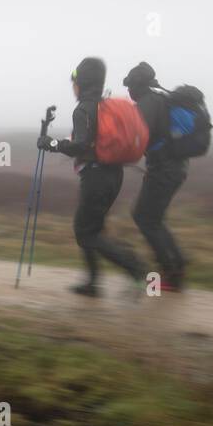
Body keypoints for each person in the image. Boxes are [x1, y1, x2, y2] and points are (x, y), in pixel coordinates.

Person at [37, 57, 145, 297]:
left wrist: (51, 143)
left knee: (85, 232)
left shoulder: (84, 108)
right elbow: (90, 141)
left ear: (81, 82)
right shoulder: (102, 105)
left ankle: (135, 267)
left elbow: (81, 145)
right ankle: (92, 283)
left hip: (97, 177)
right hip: (113, 174)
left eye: (74, 82)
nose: (72, 86)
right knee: (91, 229)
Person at [124, 62, 187, 291]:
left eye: (130, 86)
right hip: (175, 167)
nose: (129, 92)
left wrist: (120, 150)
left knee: (144, 217)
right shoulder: (161, 97)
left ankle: (171, 273)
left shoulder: (148, 102)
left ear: (137, 85)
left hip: (164, 169)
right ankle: (177, 263)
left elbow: (139, 137)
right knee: (153, 218)